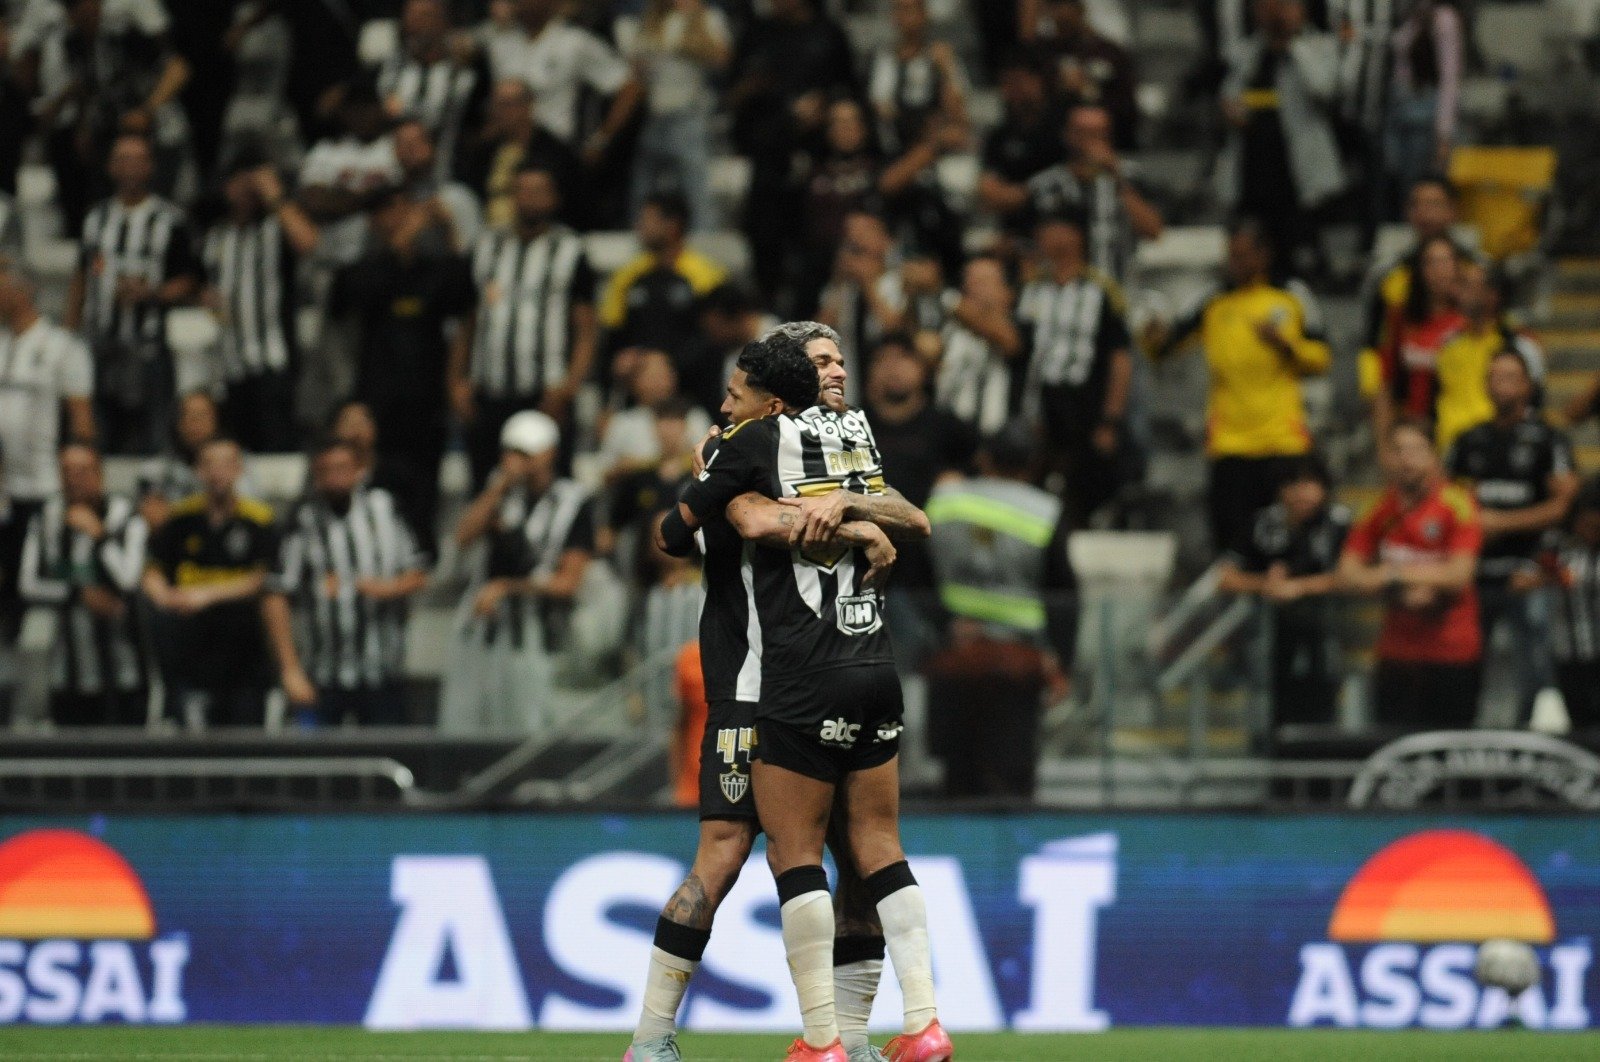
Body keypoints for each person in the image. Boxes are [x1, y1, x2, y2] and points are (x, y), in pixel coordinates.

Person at [631, 329, 932, 1062]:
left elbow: (910, 511)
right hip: (751, 683)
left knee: (861, 863)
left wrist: (857, 513)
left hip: (824, 672)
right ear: (788, 379)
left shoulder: (829, 449)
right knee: (726, 852)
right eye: (821, 361)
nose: (837, 371)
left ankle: (849, 1041)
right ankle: (652, 1039)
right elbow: (751, 519)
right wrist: (858, 522)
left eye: (838, 359)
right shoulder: (739, 446)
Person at [1152, 218, 1331, 556]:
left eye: (1244, 255)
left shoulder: (1292, 296)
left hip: (1282, 437)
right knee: (1233, 542)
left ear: (1264, 255)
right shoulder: (1214, 302)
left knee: (1291, 541)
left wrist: (1285, 344)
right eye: (1232, 256)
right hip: (1230, 440)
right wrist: (1150, 330)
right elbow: (1164, 347)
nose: (1236, 264)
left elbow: (1322, 359)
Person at [925, 421, 1075, 798]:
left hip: (954, 656)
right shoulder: (1045, 511)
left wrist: (940, 628)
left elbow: (914, 578)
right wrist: (1063, 663)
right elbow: (1065, 596)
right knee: (1011, 776)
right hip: (1018, 664)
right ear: (1034, 465)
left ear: (984, 458)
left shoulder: (945, 501)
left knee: (957, 777)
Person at [332, 187, 475, 545]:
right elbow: (346, 303)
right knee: (375, 487)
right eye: (386, 213)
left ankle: (419, 559)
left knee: (424, 490)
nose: (397, 221)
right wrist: (397, 249)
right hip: (375, 402)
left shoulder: (436, 270)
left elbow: (464, 296)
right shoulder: (363, 269)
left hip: (425, 401)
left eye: (403, 212)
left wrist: (449, 231)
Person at [441, 410, 594, 734]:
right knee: (474, 721)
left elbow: (568, 582)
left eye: (524, 453)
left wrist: (506, 587)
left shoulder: (572, 501)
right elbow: (462, 538)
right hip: (489, 632)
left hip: (539, 638)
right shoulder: (500, 496)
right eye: (510, 452)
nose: (516, 460)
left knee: (529, 727)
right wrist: (498, 488)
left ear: (548, 453)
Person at [1446, 351, 1577, 724]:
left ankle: (1528, 745)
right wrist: (1470, 528)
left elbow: (1565, 506)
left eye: (1510, 376)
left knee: (1535, 666)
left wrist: (1500, 522)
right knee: (1467, 668)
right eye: (1494, 376)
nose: (1500, 383)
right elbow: (1447, 500)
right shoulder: (1468, 440)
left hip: (1529, 572)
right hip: (1475, 573)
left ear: (1528, 386)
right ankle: (1467, 742)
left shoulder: (1547, 439)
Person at [263, 439, 430, 728]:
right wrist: (290, 670)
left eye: (342, 468)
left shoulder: (385, 509)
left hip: (382, 670)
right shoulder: (304, 520)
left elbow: (419, 573)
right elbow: (276, 593)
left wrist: (384, 588)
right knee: (318, 765)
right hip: (322, 673)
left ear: (359, 470)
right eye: (325, 470)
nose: (334, 478)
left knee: (387, 755)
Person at [451, 165, 596, 490]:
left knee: (550, 489)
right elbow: (467, 320)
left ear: (554, 199)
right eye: (522, 190)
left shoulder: (569, 249)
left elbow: (586, 328)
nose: (529, 198)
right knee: (487, 487)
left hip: (546, 393)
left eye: (538, 191)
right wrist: (456, 382)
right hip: (489, 393)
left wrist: (569, 387)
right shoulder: (486, 246)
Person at [1339, 419, 1482, 731]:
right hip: (1397, 653)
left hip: (1453, 652)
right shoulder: (1377, 507)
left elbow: (1459, 574)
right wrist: (1399, 582)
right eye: (1399, 450)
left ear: (1433, 457)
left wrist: (1393, 573)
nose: (1407, 459)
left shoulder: (1457, 503)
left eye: (1416, 450)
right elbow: (1349, 572)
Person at [67, 132, 201, 456]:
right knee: (98, 434)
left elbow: (192, 280)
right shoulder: (96, 218)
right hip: (100, 341)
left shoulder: (169, 220)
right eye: (122, 159)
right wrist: (70, 329)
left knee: (154, 433)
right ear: (110, 167)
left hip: (149, 344)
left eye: (137, 159)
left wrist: (152, 292)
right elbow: (82, 275)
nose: (129, 167)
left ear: (150, 167)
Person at [142, 437, 277, 729]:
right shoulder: (181, 519)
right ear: (198, 472)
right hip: (190, 658)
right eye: (209, 465)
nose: (218, 472)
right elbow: (152, 571)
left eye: (226, 464)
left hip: (244, 661)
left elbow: (265, 579)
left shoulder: (259, 520)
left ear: (239, 469)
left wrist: (206, 596)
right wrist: (165, 596)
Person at [1218, 453, 1350, 735]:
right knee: (1273, 707)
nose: (1302, 493)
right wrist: (1264, 584)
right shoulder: (1262, 523)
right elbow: (1226, 577)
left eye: (1311, 484)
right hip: (1269, 636)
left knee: (1320, 708)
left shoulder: (1337, 523)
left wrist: (1300, 587)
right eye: (1293, 484)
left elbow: (1350, 576)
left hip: (1324, 633)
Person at [19, 443, 148, 726]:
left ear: (100, 474)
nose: (74, 478)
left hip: (121, 659)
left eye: (83, 470)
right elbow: (27, 583)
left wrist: (99, 536)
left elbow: (128, 579)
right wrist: (78, 594)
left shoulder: (127, 517)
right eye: (67, 470)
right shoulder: (45, 517)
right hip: (65, 661)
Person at [1019, 212, 1134, 528]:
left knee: (1085, 485)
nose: (1044, 236)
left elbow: (1120, 358)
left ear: (1075, 237)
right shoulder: (1031, 288)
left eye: (1053, 227)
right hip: (1042, 402)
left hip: (1085, 403)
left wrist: (1110, 419)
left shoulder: (1100, 290)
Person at [0, 260, 96, 634]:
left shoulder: (61, 347)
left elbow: (82, 424)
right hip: (5, 489)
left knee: (42, 588)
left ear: (23, 291)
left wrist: (78, 492)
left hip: (47, 488)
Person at [1217, 0, 1344, 278]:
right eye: (1265, 7)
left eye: (1284, 6)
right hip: (1254, 165)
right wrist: (1232, 109)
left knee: (1299, 249)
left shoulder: (1318, 46)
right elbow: (1229, 93)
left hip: (1298, 168)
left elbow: (1324, 89)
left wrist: (1293, 44)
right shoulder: (1249, 50)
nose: (1275, 14)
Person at [202, 158, 319, 453]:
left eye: (250, 183)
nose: (245, 190)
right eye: (238, 182)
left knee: (278, 447)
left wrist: (274, 194)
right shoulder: (217, 235)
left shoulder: (275, 229)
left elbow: (308, 242)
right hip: (229, 363)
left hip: (272, 359)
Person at [599, 193, 726, 411]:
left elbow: (715, 340)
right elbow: (612, 340)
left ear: (673, 225)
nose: (640, 226)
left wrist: (666, 363)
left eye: (648, 220)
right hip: (635, 397)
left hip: (694, 397)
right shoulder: (626, 278)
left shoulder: (707, 276)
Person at [614, 0, 732, 231]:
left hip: (688, 114)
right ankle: (644, 235)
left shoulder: (706, 17)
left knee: (696, 187)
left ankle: (703, 239)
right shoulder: (652, 19)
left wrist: (692, 23)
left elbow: (722, 58)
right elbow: (637, 68)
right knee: (643, 187)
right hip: (655, 115)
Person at [1023, 102, 1162, 283]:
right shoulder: (1044, 185)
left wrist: (1116, 178)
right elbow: (1029, 247)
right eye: (1083, 133)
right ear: (1067, 134)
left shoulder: (1131, 176)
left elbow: (1153, 231)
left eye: (1098, 134)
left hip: (1119, 292)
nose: (1090, 141)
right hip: (1066, 295)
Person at [1434, 262, 1547, 454]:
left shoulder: (1521, 345)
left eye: (1468, 285)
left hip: (1501, 453)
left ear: (1492, 295)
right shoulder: (1448, 344)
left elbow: (1534, 404)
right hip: (1451, 451)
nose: (1459, 292)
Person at [373, 0, 487, 183]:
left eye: (426, 15)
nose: (418, 23)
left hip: (451, 169)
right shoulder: (387, 69)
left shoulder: (469, 69)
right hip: (395, 173)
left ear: (444, 21)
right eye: (412, 15)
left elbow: (477, 122)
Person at [296, 77, 401, 266]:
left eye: (368, 107)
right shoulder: (325, 150)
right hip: (329, 257)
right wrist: (373, 199)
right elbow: (314, 201)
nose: (362, 115)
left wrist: (340, 198)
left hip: (383, 258)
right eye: (354, 108)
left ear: (379, 109)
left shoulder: (396, 147)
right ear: (343, 113)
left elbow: (402, 198)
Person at [1373, 233, 1466, 447]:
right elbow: (1385, 383)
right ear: (1419, 269)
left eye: (1445, 261)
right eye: (1430, 262)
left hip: (1460, 429)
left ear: (1457, 267)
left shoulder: (1469, 321)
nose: (1438, 270)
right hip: (1415, 431)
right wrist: (1384, 444)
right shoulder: (1402, 319)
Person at [455, 79, 581, 231]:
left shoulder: (556, 153)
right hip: (485, 232)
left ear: (527, 106)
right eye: (496, 105)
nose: (499, 112)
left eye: (507, 105)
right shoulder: (484, 151)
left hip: (538, 233)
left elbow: (570, 203)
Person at [1527, 480, 1600, 731]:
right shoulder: (1558, 543)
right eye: (1586, 524)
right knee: (1580, 721)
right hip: (1568, 650)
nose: (1590, 531)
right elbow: (1523, 579)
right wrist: (1548, 575)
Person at [978, 48, 1065, 246]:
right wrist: (1034, 192)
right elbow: (989, 194)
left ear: (1038, 81)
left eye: (1018, 81)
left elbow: (1072, 182)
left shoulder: (1062, 128)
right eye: (1006, 83)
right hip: (1015, 235)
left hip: (1061, 229)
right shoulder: (999, 137)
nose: (1013, 91)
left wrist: (1021, 194)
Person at [1383, 0, 1462, 218]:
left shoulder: (1443, 18)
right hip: (1399, 112)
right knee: (1399, 185)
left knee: (1419, 190)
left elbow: (1450, 77)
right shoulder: (1408, 16)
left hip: (1424, 116)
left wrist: (1444, 132)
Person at [1029, 0, 1138, 150]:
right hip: (1053, 141)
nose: (1062, 14)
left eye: (1068, 7)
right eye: (1056, 8)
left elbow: (1127, 107)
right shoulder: (1041, 54)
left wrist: (1087, 91)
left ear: (1080, 10)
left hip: (1108, 139)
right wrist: (1062, 89)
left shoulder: (1108, 52)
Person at [938, 255, 1025, 438]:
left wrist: (942, 293)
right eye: (968, 280)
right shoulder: (949, 327)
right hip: (950, 435)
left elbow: (1008, 342)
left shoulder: (1021, 325)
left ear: (1007, 291)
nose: (971, 288)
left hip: (1001, 439)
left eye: (982, 282)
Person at [597, 352, 711, 487]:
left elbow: (709, 461)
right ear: (636, 380)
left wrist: (645, 465)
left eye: (666, 373)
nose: (661, 380)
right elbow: (604, 473)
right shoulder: (622, 423)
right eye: (653, 375)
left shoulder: (693, 416)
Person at [393, 118, 483, 254]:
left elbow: (472, 256)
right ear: (395, 151)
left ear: (432, 146)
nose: (411, 149)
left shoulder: (459, 197)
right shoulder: (390, 203)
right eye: (404, 144)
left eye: (417, 141)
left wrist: (446, 226)